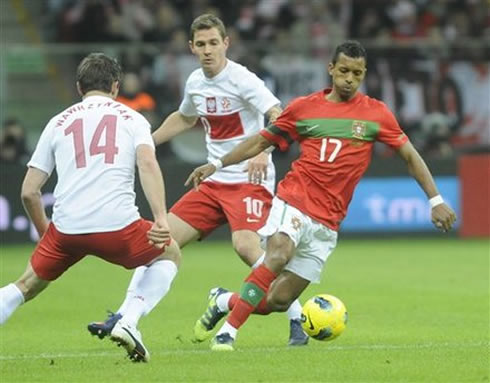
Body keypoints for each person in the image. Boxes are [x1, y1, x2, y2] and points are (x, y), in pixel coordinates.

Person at [185, 40, 457, 351]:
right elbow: (260, 142)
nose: (349, 78)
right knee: (277, 255)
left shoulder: (376, 114)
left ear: (364, 74)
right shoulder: (304, 108)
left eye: (356, 73)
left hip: (328, 222)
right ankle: (228, 334)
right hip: (294, 200)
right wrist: (216, 163)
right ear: (331, 69)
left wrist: (435, 200)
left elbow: (410, 155)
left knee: (278, 299)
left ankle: (223, 301)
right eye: (343, 70)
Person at [87, 14, 308, 346]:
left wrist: (264, 149)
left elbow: (278, 113)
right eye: (201, 44)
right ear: (192, 47)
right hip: (213, 180)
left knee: (246, 246)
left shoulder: (242, 79)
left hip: (250, 178)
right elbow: (185, 117)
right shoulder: (195, 83)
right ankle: (124, 317)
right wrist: (147, 140)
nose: (208, 51)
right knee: (156, 240)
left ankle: (297, 319)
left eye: (213, 43)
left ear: (226, 43)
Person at [0, 53, 180, 363]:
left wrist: (46, 234)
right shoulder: (133, 118)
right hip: (118, 228)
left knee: (27, 285)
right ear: (115, 86)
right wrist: (161, 218)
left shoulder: (57, 122)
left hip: (67, 230)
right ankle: (129, 321)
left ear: (79, 87)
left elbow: (29, 192)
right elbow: (147, 164)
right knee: (170, 251)